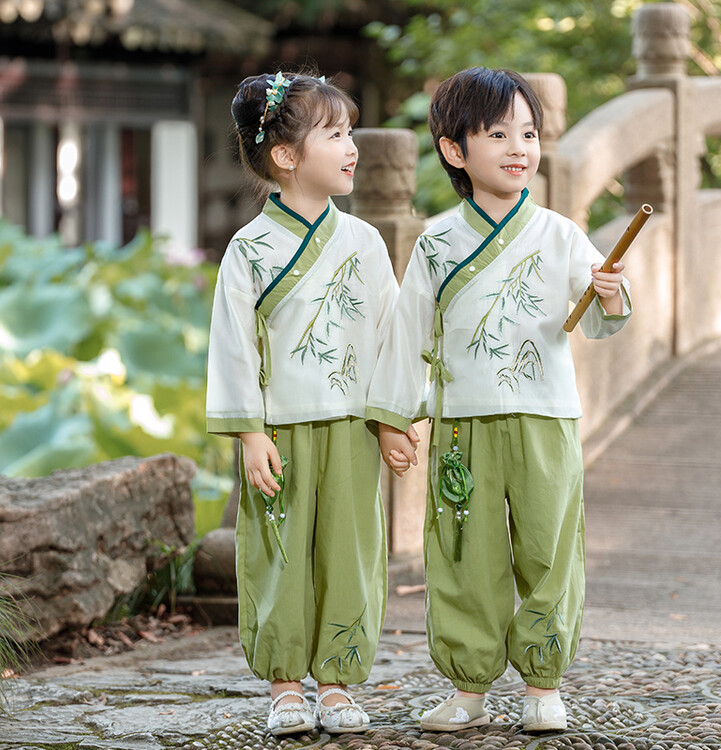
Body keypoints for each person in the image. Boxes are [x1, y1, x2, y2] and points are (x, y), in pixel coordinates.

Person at [367, 67, 632, 734]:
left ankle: (544, 683)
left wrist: (607, 293)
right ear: (455, 150)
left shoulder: (561, 234)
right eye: (498, 133)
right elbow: (407, 335)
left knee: (549, 550)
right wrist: (396, 418)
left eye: (529, 132)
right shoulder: (435, 241)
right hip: (462, 426)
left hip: (546, 417)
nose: (520, 147)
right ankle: (469, 685)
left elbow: (601, 316)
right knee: (464, 554)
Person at [206, 70, 398, 737]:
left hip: (349, 423)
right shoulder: (250, 249)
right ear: (286, 157)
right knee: (279, 549)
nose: (352, 148)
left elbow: (389, 336)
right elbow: (234, 347)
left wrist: (394, 416)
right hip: (279, 428)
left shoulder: (365, 243)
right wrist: (250, 432)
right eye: (336, 134)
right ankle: (287, 683)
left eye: (350, 133)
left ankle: (338, 682)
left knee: (350, 547)